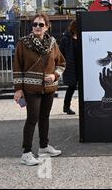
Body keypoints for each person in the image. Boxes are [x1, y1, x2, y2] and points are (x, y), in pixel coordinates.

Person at [13, 13, 66, 166]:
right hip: (30, 88)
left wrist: (55, 76)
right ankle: (26, 152)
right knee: (32, 119)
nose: (37, 27)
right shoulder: (23, 43)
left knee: (44, 118)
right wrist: (18, 89)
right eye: (35, 24)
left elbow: (61, 63)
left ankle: (43, 147)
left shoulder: (53, 44)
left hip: (48, 88)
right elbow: (17, 67)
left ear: (47, 27)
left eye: (41, 25)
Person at [59, 20, 78, 115]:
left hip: (79, 66)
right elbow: (60, 52)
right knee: (71, 87)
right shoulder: (66, 38)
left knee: (80, 87)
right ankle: (66, 107)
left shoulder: (81, 36)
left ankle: (81, 105)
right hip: (71, 66)